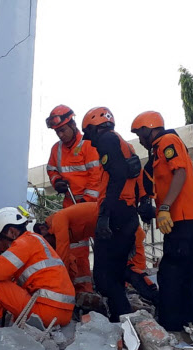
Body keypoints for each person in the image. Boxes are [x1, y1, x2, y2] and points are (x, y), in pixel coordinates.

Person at [131, 111, 193, 331]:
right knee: (183, 269)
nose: (140, 140)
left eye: (140, 134)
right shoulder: (156, 152)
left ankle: (171, 325)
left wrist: (164, 207)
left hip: (182, 216)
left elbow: (179, 173)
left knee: (170, 271)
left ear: (150, 129)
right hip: (184, 217)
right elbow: (155, 180)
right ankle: (186, 320)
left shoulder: (167, 141)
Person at [81, 107, 140, 321]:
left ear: (94, 129)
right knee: (115, 273)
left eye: (89, 135)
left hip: (115, 210)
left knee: (105, 278)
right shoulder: (123, 143)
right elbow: (131, 178)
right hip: (127, 212)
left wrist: (105, 214)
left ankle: (121, 320)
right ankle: (123, 319)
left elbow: (117, 176)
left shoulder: (106, 140)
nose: (91, 142)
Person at [34, 202, 158, 303]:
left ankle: (151, 296)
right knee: (111, 272)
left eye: (48, 243)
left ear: (43, 229)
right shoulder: (63, 221)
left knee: (118, 270)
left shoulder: (58, 220)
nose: (51, 246)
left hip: (120, 229)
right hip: (115, 230)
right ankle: (150, 295)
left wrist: (59, 283)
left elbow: (62, 253)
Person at [0, 207, 76, 327]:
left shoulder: (23, 242)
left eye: (0, 239)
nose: (2, 246)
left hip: (46, 311)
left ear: (12, 232)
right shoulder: (36, 240)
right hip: (62, 313)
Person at [46, 104, 101, 293]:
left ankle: (107, 286)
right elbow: (52, 169)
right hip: (70, 205)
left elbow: (96, 175)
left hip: (91, 205)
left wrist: (86, 201)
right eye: (57, 132)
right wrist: (56, 182)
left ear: (73, 124)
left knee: (103, 246)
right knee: (76, 250)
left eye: (62, 130)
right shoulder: (56, 150)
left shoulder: (88, 144)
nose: (60, 135)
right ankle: (81, 290)